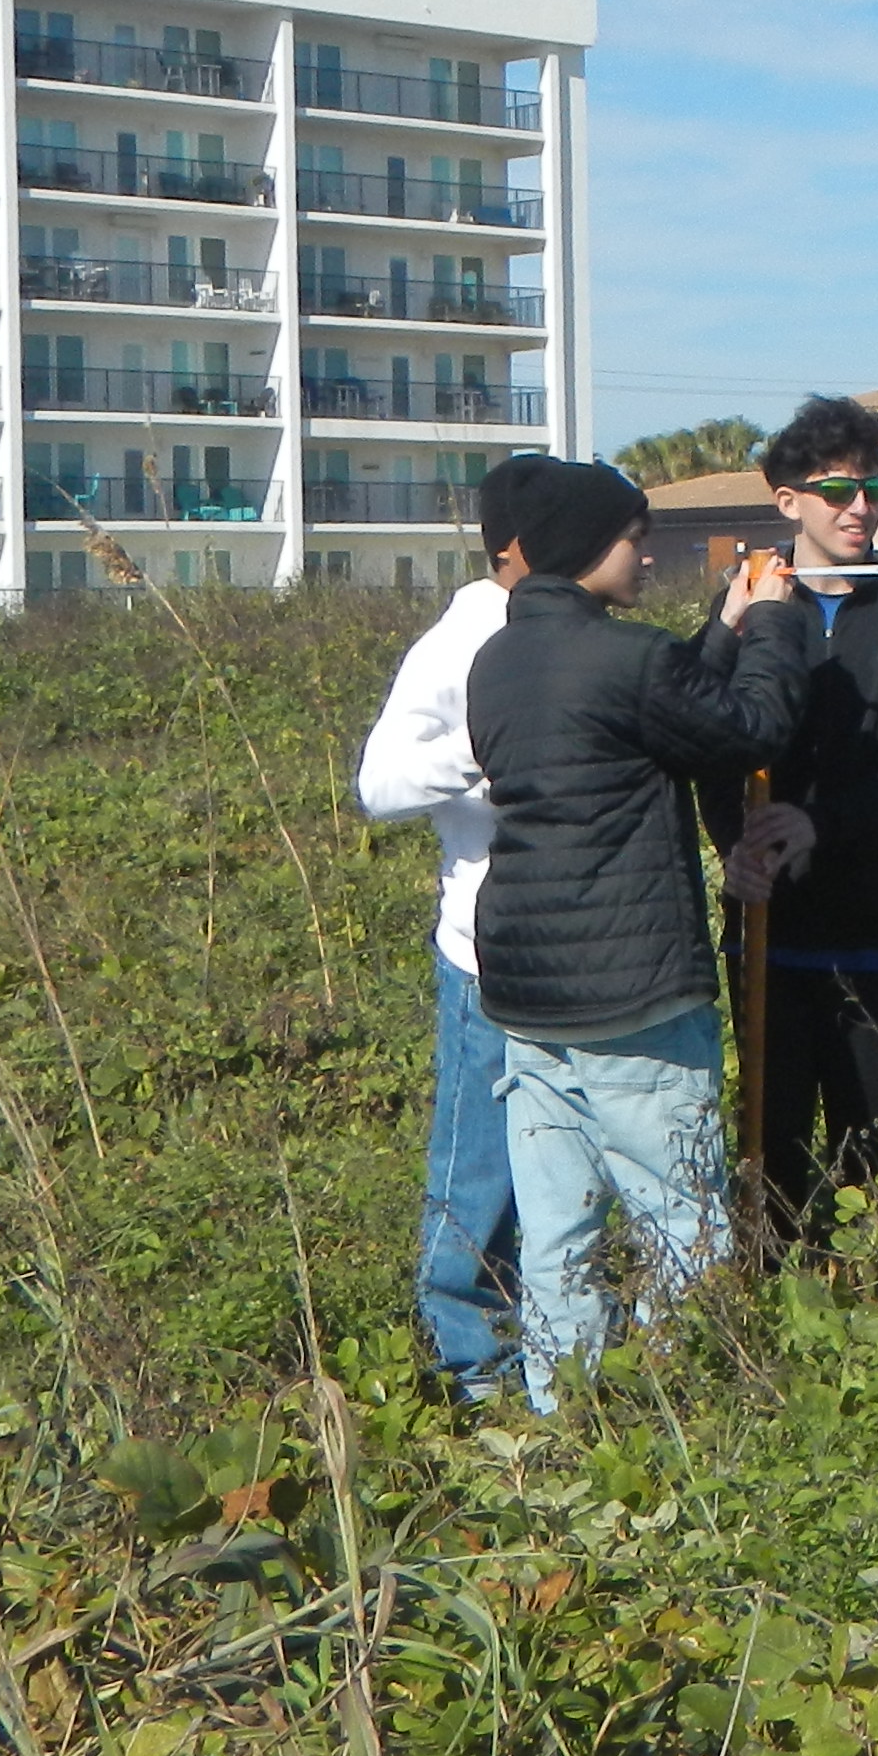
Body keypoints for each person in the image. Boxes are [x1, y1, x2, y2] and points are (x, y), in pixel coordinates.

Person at [464, 456, 808, 1408]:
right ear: (586, 548)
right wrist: (777, 620)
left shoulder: (499, 661)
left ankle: (559, 1412)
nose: (645, 553)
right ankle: (693, 1413)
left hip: (528, 993)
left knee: (558, 1231)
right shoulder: (627, 658)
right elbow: (748, 728)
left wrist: (723, 626)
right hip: (635, 993)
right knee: (681, 1220)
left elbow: (648, 713)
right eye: (631, 536)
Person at [715, 393, 878, 1241]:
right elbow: (711, 741)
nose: (859, 508)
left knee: (864, 1147)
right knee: (769, 1145)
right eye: (837, 491)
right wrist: (732, 853)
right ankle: (768, 1315)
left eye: (873, 489)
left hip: (877, 925)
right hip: (768, 930)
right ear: (788, 501)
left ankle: (865, 1302)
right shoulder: (747, 602)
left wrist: (823, 824)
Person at [350, 473, 541, 1399]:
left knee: (549, 1161)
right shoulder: (460, 642)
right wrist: (490, 747)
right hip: (482, 950)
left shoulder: (567, 629)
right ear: (511, 549)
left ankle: (549, 1356)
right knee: (479, 1163)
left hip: (568, 948)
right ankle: (472, 1365)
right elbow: (379, 785)